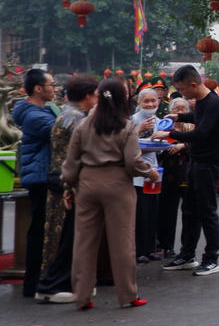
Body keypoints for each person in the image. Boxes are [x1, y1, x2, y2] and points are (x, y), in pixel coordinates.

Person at [61, 78, 157, 309]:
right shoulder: (126, 126)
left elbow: (71, 161)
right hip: (117, 184)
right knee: (122, 241)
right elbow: (133, 162)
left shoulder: (84, 125)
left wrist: (68, 186)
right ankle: (128, 294)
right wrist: (150, 173)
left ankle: (82, 296)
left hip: (87, 183)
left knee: (85, 241)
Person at [153, 65, 219, 277]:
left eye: (183, 90)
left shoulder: (213, 102)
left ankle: (211, 258)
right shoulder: (203, 102)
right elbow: (198, 119)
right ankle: (187, 255)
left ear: (193, 85)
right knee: (189, 211)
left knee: (207, 212)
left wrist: (169, 134)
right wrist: (179, 118)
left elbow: (201, 133)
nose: (182, 94)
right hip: (196, 162)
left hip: (209, 164)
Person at [34, 74, 99, 303]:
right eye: (96, 94)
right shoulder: (76, 119)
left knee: (64, 235)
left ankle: (60, 283)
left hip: (63, 180)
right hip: (68, 184)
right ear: (88, 95)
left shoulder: (68, 114)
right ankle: (51, 285)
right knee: (65, 237)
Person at [15, 68, 59, 297]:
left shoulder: (42, 110)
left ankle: (38, 281)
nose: (55, 88)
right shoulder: (34, 116)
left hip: (43, 175)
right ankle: (33, 283)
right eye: (51, 85)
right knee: (40, 231)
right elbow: (60, 131)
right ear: (38, 89)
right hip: (41, 177)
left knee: (43, 229)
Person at [131, 88, 162, 262]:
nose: (150, 104)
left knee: (152, 211)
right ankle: (138, 250)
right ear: (139, 103)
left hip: (155, 171)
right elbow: (126, 144)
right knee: (139, 212)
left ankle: (150, 248)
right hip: (137, 173)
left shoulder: (159, 121)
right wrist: (139, 130)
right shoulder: (133, 121)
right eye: (146, 101)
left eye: (153, 101)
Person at [156, 97, 190, 257]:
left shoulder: (191, 127)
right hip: (167, 173)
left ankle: (187, 249)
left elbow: (199, 142)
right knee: (166, 211)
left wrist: (183, 145)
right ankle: (166, 245)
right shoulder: (163, 125)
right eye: (176, 108)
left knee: (189, 212)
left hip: (186, 173)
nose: (180, 111)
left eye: (183, 108)